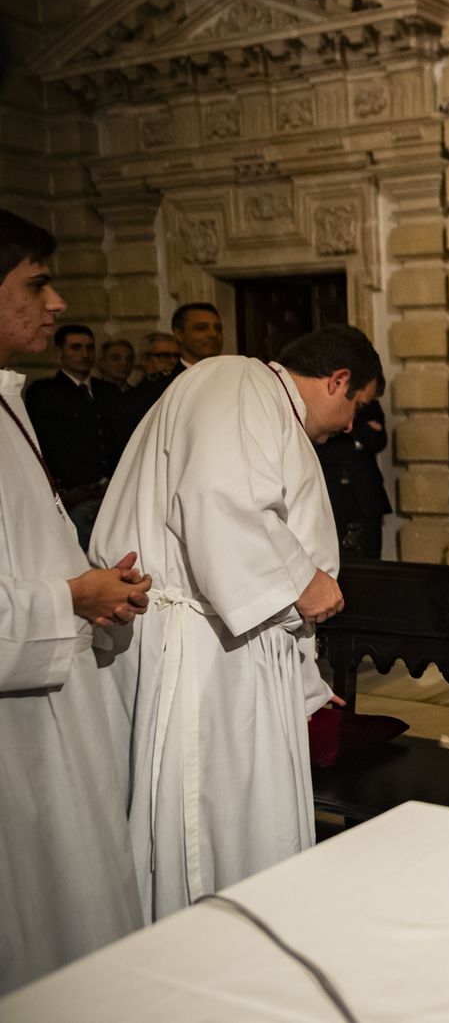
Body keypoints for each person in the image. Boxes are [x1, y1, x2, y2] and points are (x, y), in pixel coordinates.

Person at [90, 324, 380, 921]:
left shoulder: (263, 403)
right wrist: (304, 579)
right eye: (358, 405)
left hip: (240, 645)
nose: (352, 424)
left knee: (250, 827)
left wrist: (308, 690)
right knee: (210, 831)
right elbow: (220, 497)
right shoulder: (236, 378)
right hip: (208, 652)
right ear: (338, 380)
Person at [0, 209, 147, 994]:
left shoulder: (7, 399)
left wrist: (94, 589)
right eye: (36, 283)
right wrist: (72, 597)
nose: (57, 306)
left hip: (54, 722)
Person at [24, 323, 110, 547]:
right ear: (59, 353)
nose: (84, 354)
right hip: (72, 494)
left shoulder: (106, 390)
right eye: (76, 347)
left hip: (110, 491)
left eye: (89, 348)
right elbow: (47, 443)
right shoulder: (45, 392)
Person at [315, 379, 392, 559]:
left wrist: (346, 426)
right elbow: (321, 451)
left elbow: (378, 440)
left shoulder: (370, 405)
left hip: (366, 499)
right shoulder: (324, 406)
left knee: (371, 561)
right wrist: (355, 444)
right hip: (332, 499)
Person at [105, 331, 181, 465]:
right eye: (164, 356)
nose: (172, 361)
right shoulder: (133, 396)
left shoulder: (179, 386)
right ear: (145, 359)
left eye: (176, 356)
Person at [171, 301, 224, 368]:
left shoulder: (235, 375)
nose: (213, 334)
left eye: (218, 328)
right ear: (179, 334)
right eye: (201, 328)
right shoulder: (172, 378)